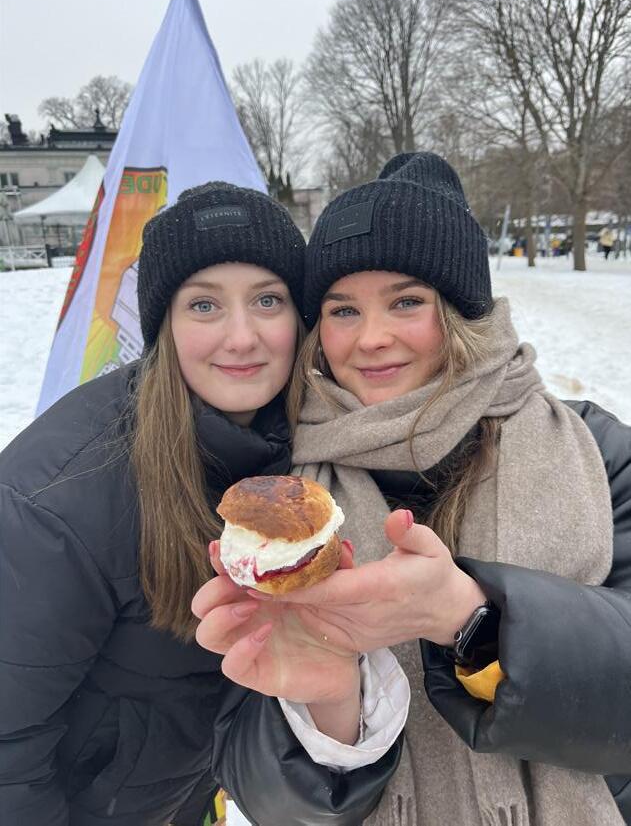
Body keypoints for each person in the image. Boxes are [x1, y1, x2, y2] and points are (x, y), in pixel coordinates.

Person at [193, 154, 631, 825]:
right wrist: (330, 708)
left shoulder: (596, 455)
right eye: (343, 309)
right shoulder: (281, 504)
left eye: (406, 302)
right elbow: (261, 789)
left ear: (462, 313)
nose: (371, 338)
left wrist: (473, 621)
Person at [0, 182, 405, 826]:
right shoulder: (58, 500)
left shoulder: (303, 451)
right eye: (204, 305)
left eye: (267, 300)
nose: (241, 338)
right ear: (164, 324)